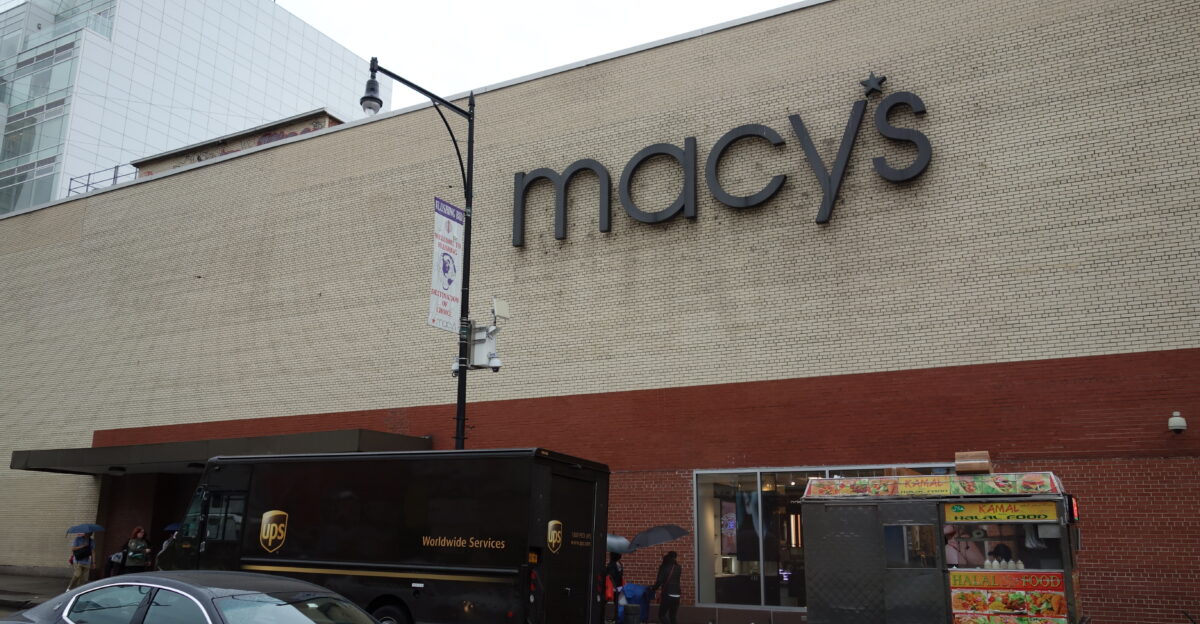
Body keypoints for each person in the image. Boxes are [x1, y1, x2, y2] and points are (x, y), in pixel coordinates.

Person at [650, 551, 682, 624]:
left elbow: (659, 581)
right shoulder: (678, 568)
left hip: (668, 595)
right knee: (673, 616)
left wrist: (653, 588)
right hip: (677, 595)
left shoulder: (664, 567)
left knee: (662, 615)